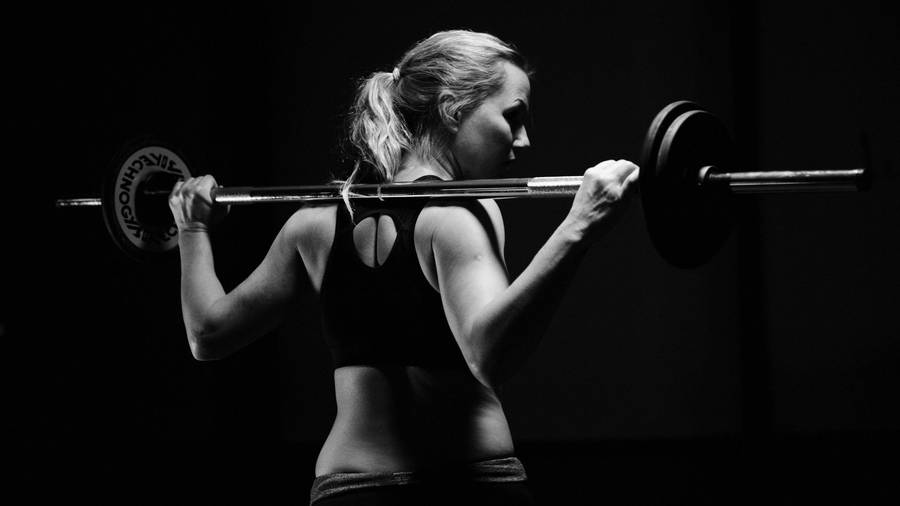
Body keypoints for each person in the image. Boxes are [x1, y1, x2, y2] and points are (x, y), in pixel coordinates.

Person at [169, 29, 639, 505]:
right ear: (454, 108)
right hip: (470, 485)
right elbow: (489, 356)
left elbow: (208, 334)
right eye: (512, 117)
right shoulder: (459, 215)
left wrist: (193, 229)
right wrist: (578, 227)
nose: (523, 140)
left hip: (350, 491)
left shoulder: (312, 224)